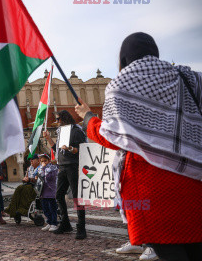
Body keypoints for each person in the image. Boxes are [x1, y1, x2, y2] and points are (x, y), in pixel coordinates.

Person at [74, 32, 202, 261]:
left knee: (169, 251)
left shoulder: (121, 85)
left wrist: (88, 118)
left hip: (150, 188)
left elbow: (111, 137)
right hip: (194, 182)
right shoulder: (189, 77)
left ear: (123, 58)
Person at [43, 110, 87, 239]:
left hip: (73, 166)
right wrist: (48, 138)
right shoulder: (61, 132)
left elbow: (82, 149)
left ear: (64, 118)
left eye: (58, 119)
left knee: (76, 197)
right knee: (59, 195)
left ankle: (81, 227)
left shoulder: (76, 131)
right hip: (62, 166)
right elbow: (57, 149)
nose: (57, 122)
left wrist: (71, 149)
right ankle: (66, 223)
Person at [5, 155, 40, 224]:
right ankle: (13, 209)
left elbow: (38, 180)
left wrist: (29, 179)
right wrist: (25, 179)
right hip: (28, 185)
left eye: (33, 159)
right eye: (30, 160)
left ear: (38, 160)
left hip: (35, 188)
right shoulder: (30, 168)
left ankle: (22, 210)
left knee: (26, 189)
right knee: (19, 188)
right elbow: (26, 178)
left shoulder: (40, 168)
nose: (31, 161)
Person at [38, 154, 59, 232]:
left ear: (49, 161)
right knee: (45, 208)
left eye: (45, 161)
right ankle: (49, 222)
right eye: (42, 161)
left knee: (52, 208)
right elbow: (40, 177)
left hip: (50, 192)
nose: (44, 163)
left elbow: (49, 177)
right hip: (43, 192)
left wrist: (44, 168)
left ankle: (54, 223)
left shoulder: (53, 168)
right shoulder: (41, 168)